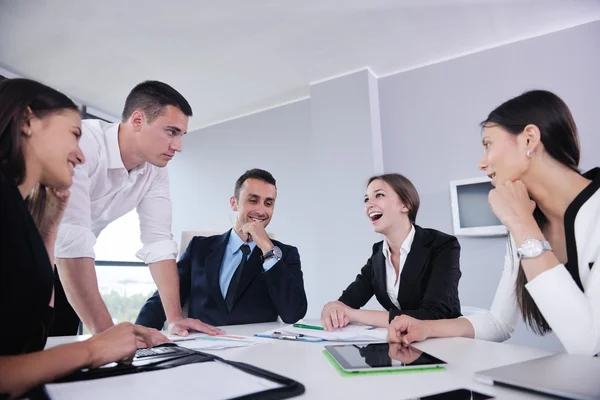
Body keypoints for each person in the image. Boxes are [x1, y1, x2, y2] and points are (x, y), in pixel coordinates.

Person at [387, 90, 600, 356]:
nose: (481, 162)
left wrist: (521, 224)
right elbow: (499, 322)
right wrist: (427, 328)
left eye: (488, 144)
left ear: (529, 139)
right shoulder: (526, 224)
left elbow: (590, 346)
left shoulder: (528, 224)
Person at [0, 78, 163, 398]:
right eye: (74, 134)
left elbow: (35, 325)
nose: (81, 155)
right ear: (28, 121)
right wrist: (93, 349)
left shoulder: (17, 211)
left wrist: (48, 230)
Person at [54, 80, 221, 338]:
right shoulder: (82, 145)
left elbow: (158, 242)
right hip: (24, 254)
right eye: (171, 132)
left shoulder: (155, 171)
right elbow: (71, 237)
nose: (178, 146)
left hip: (68, 264)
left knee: (61, 348)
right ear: (138, 120)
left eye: (181, 135)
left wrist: (174, 318)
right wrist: (111, 337)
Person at [136, 168, 308, 327]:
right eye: (253, 200)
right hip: (202, 345)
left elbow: (292, 314)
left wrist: (267, 248)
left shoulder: (285, 255)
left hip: (257, 351)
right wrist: (139, 334)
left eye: (268, 203)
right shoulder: (199, 248)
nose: (261, 210)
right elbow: (166, 296)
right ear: (234, 203)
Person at [321, 173, 462, 331]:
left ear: (405, 205)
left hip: (444, 345)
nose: (369, 205)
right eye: (366, 199)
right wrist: (334, 308)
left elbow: (433, 316)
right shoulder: (378, 253)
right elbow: (349, 300)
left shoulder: (442, 245)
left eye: (379, 195)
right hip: (401, 345)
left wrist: (353, 314)